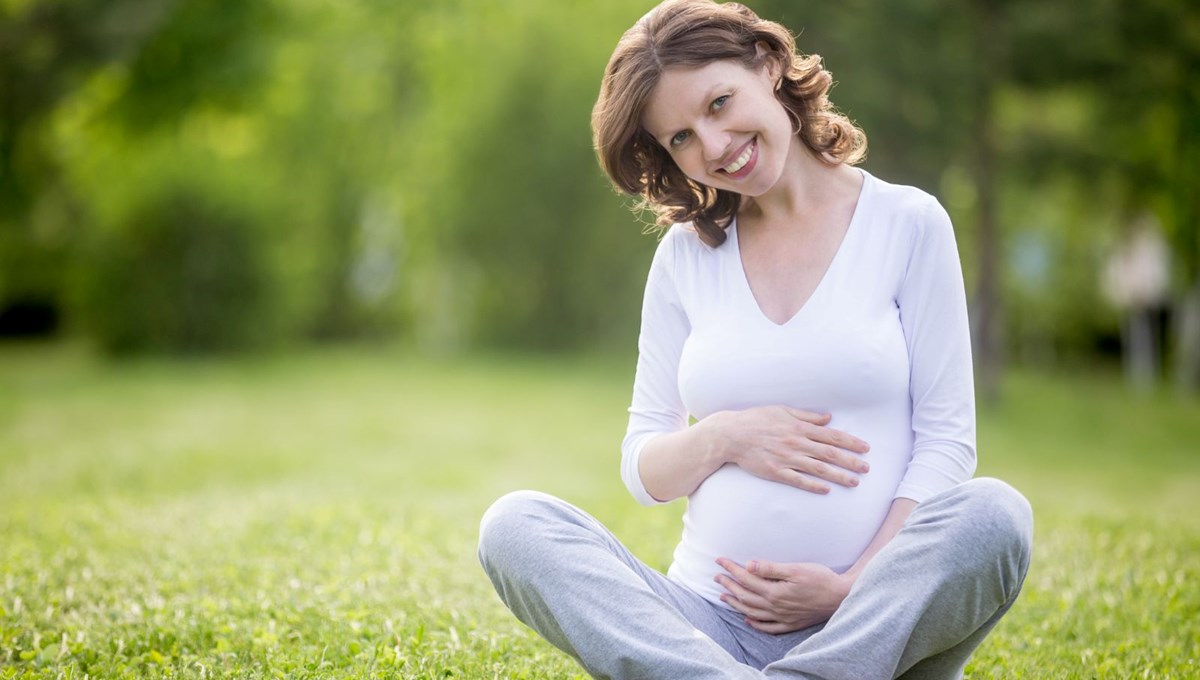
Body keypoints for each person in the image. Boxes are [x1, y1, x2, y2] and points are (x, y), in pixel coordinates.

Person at [477, 1, 1033, 678]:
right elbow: (643, 468)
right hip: (703, 627)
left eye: (718, 103)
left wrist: (852, 587)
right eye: (679, 138)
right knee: (515, 527)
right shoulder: (685, 257)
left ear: (768, 68)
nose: (712, 147)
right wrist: (725, 437)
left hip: (868, 627)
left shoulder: (907, 223)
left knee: (997, 516)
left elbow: (948, 444)